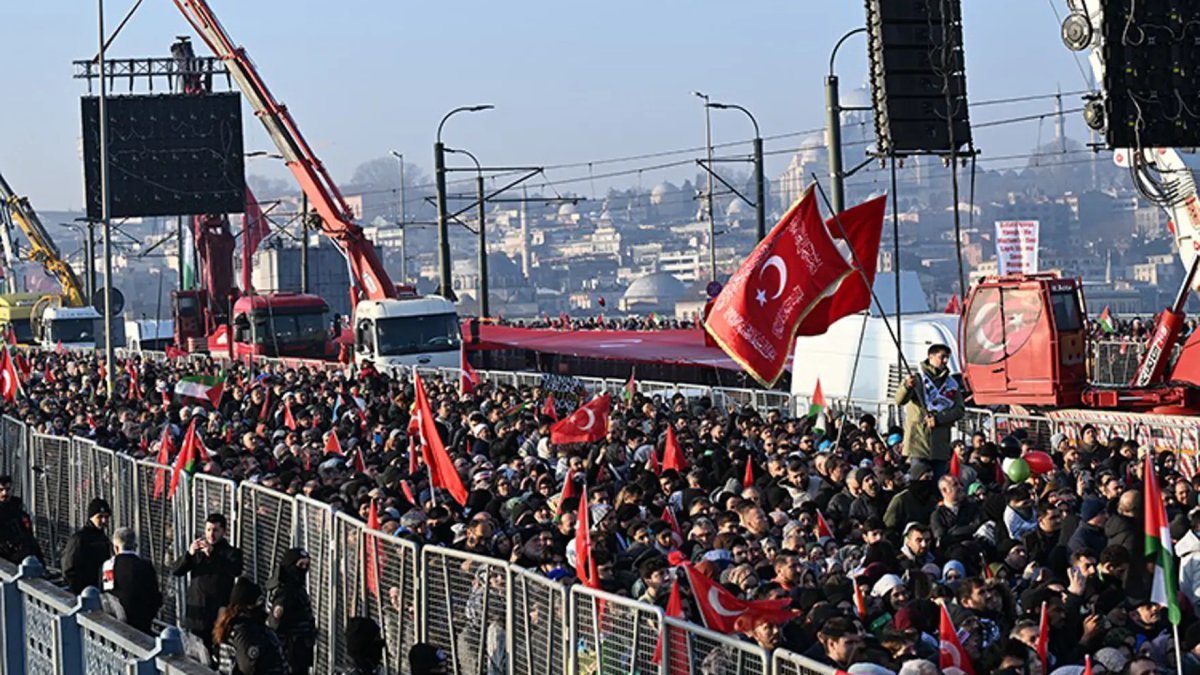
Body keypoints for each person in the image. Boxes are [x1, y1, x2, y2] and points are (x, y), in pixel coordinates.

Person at [173, 512, 244, 655]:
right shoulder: (198, 552)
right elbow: (177, 570)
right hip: (196, 614)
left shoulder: (231, 553)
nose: (211, 535)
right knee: (194, 656)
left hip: (216, 615)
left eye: (216, 530)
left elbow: (236, 570)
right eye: (208, 530)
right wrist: (189, 554)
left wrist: (213, 555)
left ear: (223, 532)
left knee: (214, 655)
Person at [895, 344, 964, 479]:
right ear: (930, 357)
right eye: (942, 357)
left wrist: (939, 419)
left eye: (947, 358)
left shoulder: (951, 384)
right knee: (919, 482)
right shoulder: (918, 379)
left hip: (940, 444)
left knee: (938, 484)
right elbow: (899, 401)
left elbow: (959, 410)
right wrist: (906, 387)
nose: (945, 361)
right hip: (918, 441)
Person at [213, 577, 287, 675]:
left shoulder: (238, 627)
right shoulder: (244, 631)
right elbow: (248, 666)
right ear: (248, 605)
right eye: (258, 602)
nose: (262, 607)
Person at [100, 527, 162, 634]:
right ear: (135, 546)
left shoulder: (108, 566)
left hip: (116, 625)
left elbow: (105, 594)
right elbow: (154, 597)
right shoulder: (145, 566)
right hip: (142, 624)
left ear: (115, 547)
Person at [266, 547, 316, 675]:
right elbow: (274, 626)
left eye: (306, 565)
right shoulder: (285, 593)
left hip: (299, 651)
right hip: (291, 654)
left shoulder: (296, 588)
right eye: (300, 565)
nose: (304, 569)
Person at [61, 497, 112, 594]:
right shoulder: (79, 538)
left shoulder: (104, 539)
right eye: (100, 517)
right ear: (91, 517)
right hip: (83, 592)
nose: (104, 520)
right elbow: (68, 567)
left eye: (106, 517)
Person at [0, 474, 41, 564]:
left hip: (21, 549)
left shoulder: (17, 508)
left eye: (7, 490)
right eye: (1, 490)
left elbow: (27, 528)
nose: (4, 493)